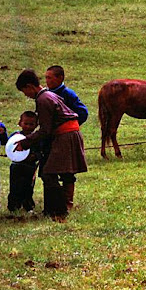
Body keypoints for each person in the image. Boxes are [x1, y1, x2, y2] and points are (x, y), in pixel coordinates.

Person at [14, 69, 87, 222]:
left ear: (29, 86)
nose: (26, 95)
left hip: (65, 136)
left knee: (48, 173)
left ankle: (59, 211)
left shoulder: (43, 99)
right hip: (68, 134)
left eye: (24, 91)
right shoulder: (48, 95)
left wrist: (25, 142)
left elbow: (45, 130)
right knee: (62, 172)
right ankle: (58, 208)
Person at [44, 65, 88, 210]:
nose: (47, 81)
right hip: (52, 137)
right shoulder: (46, 94)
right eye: (46, 77)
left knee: (68, 171)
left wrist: (70, 125)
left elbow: (82, 112)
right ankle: (56, 201)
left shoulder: (68, 94)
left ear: (60, 78)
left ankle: (68, 202)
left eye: (50, 77)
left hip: (65, 136)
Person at [7, 111, 40, 213]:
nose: (28, 127)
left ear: (36, 125)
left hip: (30, 166)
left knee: (28, 186)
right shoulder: (15, 136)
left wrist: (35, 156)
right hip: (16, 165)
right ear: (20, 123)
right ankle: (13, 206)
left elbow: (40, 150)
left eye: (31, 124)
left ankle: (28, 205)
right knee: (15, 186)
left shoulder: (36, 138)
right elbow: (10, 147)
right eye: (26, 123)